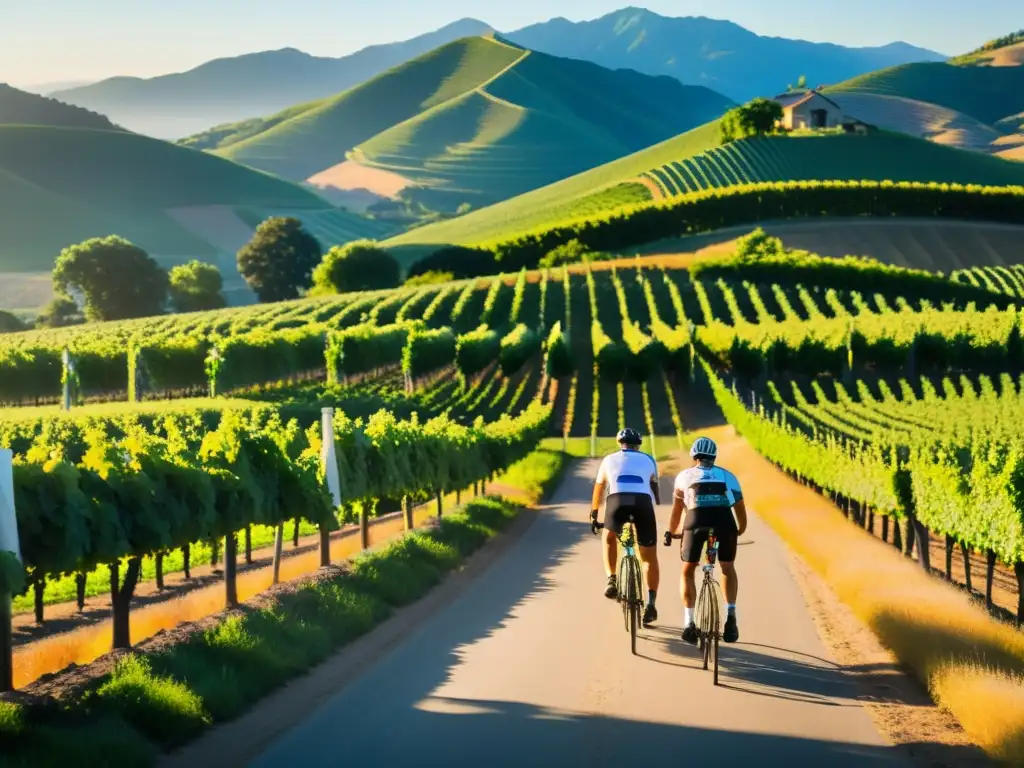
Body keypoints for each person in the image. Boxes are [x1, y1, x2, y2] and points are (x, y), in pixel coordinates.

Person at [666, 436, 747, 644]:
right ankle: (731, 616)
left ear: (694, 456)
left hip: (696, 522)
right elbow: (739, 507)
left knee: (688, 570)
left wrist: (671, 531)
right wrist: (740, 529)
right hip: (724, 522)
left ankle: (689, 623)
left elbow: (677, 511)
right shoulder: (727, 476)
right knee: (727, 567)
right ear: (714, 456)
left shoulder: (684, 476)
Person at [590, 427, 661, 626]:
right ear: (638, 445)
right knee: (649, 558)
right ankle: (651, 603)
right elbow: (655, 490)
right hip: (643, 503)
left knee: (609, 536)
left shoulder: (608, 460)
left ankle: (612, 579)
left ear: (620, 444)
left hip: (617, 501)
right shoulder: (649, 460)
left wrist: (594, 515)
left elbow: (599, 488)